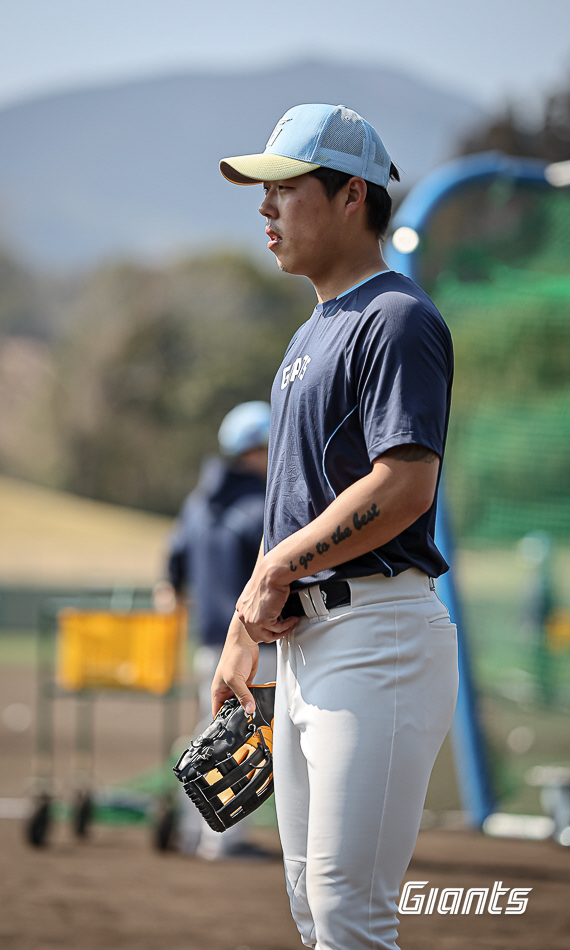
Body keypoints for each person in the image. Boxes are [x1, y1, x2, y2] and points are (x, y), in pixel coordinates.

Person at [212, 103, 459, 949]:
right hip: (313, 645)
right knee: (315, 914)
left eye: (283, 187)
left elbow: (404, 485)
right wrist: (251, 626)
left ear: (351, 195)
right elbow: (295, 502)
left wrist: (276, 566)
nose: (264, 208)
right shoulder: (312, 331)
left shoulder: (394, 318)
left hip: (379, 634)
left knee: (350, 913)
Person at [167, 400, 276, 859]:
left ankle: (192, 830)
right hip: (253, 641)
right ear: (254, 450)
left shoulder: (198, 502)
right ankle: (222, 839)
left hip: (209, 640)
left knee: (211, 732)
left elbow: (173, 567)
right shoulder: (261, 503)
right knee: (246, 736)